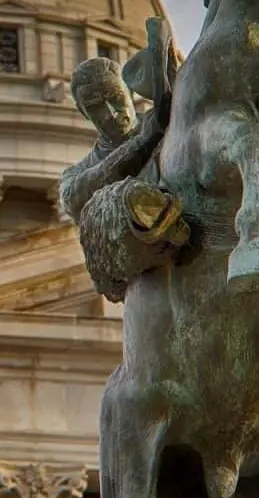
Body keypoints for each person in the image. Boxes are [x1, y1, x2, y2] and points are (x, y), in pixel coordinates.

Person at [60, 18, 191, 302]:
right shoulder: (77, 175)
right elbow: (76, 199)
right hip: (145, 277)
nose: (110, 112)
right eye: (95, 107)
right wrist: (145, 140)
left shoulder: (175, 128)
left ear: (130, 93)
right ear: (84, 115)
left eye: (116, 98)